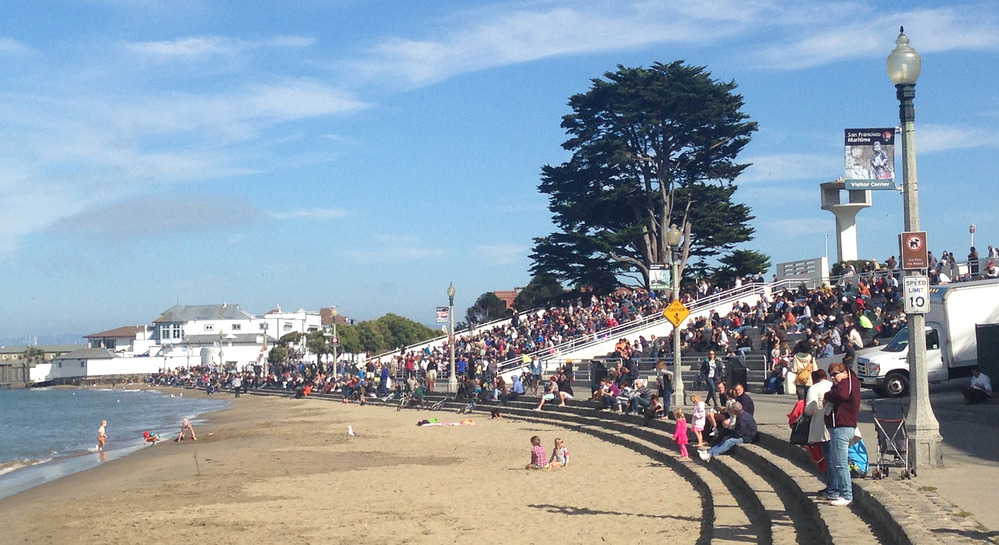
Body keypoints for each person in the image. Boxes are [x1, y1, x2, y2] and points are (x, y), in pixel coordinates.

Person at [823, 362, 861, 507]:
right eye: (830, 375)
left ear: (845, 373)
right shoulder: (844, 384)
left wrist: (828, 395)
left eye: (835, 374)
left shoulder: (847, 383)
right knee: (837, 461)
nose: (833, 378)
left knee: (841, 463)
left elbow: (841, 394)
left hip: (842, 427)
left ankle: (846, 495)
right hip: (838, 427)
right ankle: (840, 492)